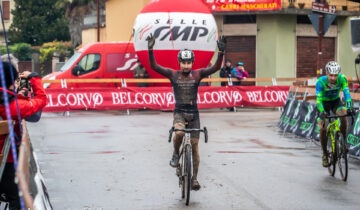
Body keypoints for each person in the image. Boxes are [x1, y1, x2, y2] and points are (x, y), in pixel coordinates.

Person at [146, 34, 225, 190]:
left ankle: (194, 179)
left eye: (189, 62)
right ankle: (176, 154)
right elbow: (154, 66)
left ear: (192, 63)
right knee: (180, 133)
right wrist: (150, 49)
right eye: (183, 62)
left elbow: (215, 68)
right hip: (179, 113)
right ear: (179, 62)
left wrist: (221, 53)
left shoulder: (198, 74)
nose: (186, 65)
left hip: (194, 115)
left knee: (195, 147)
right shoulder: (173, 74)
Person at [0, 60, 47, 209]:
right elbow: (41, 100)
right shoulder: (12, 106)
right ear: (12, 81)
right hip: (6, 165)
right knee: (18, 197)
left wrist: (17, 95)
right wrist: (34, 78)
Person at [316, 61, 354, 167]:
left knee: (344, 117)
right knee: (323, 128)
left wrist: (349, 107)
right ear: (327, 73)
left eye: (335, 75)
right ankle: (324, 154)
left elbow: (347, 93)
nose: (333, 78)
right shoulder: (320, 82)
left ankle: (343, 143)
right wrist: (322, 111)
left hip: (335, 102)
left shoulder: (342, 79)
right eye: (331, 75)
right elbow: (318, 100)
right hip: (323, 104)